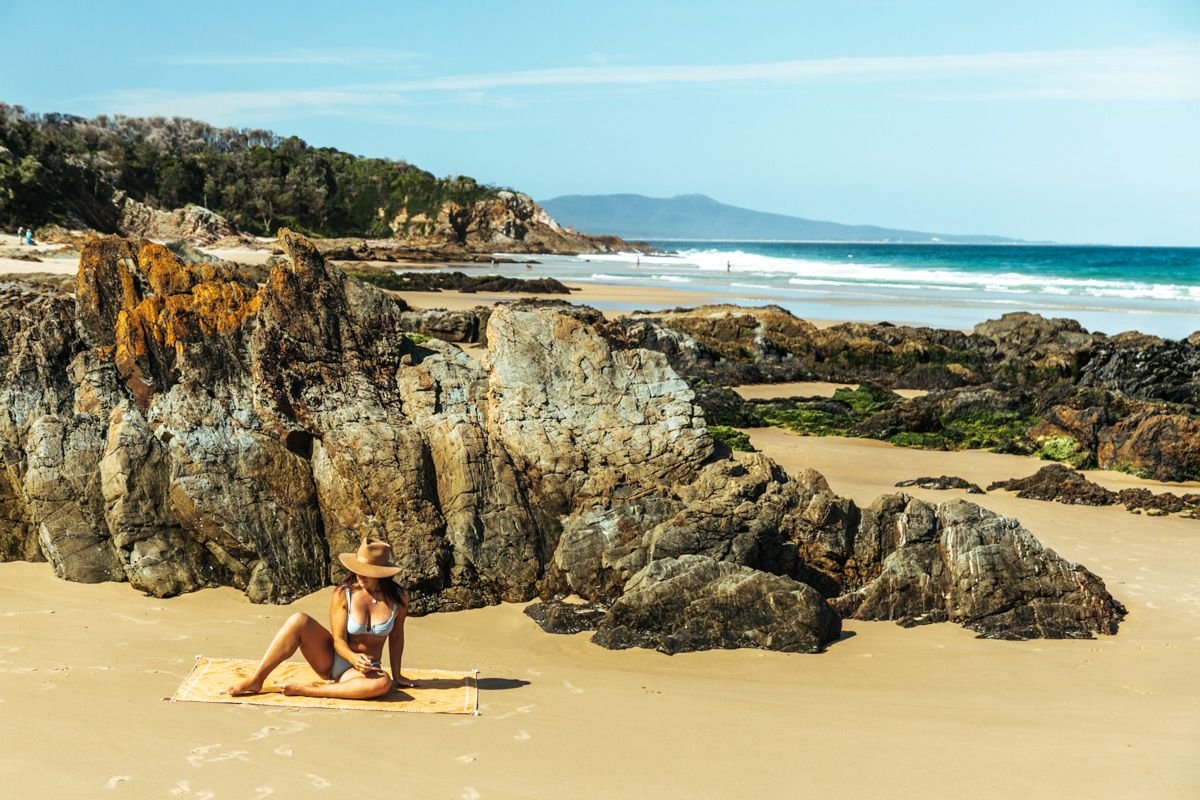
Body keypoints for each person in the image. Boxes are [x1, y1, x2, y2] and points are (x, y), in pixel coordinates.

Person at [227, 537, 416, 698]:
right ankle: (256, 679)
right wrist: (352, 657)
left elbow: (397, 636)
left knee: (383, 684)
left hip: (366, 671)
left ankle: (308, 691)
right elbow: (338, 640)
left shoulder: (398, 599)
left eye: (366, 572)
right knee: (298, 619)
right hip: (333, 659)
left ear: (381, 574)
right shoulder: (344, 593)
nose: (360, 575)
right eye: (358, 569)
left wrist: (397, 674)